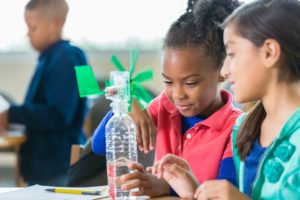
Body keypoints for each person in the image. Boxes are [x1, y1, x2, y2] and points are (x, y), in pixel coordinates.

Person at [92, 0, 241, 197]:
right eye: (168, 82)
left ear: (223, 71)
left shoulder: (237, 127)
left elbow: (226, 192)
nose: (178, 94)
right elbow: (100, 146)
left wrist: (167, 186)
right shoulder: (165, 106)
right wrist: (125, 109)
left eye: (190, 83)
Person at [153, 0, 300, 199]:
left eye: (231, 54)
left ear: (269, 52)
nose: (224, 71)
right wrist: (194, 192)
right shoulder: (244, 128)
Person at [0, 0, 88, 186]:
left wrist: (11, 114)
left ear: (56, 24)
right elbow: (86, 106)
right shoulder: (71, 55)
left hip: (55, 166)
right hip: (54, 161)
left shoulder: (64, 57)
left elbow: (58, 114)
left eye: (33, 28)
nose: (28, 34)